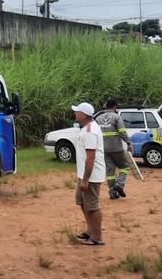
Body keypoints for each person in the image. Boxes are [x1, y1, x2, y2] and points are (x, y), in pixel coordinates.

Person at [71, 102, 106, 246]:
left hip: (90, 175)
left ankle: (97, 236)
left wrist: (86, 179)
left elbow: (91, 157)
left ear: (83, 115)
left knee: (92, 205)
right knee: (81, 201)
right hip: (84, 175)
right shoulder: (86, 128)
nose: (75, 113)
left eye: (77, 111)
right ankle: (90, 230)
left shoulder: (90, 131)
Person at [95, 98, 132, 199]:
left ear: (106, 107)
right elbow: (122, 131)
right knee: (125, 167)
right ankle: (119, 184)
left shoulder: (98, 119)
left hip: (104, 149)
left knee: (110, 172)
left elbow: (96, 134)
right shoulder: (116, 117)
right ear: (114, 107)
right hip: (116, 148)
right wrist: (128, 142)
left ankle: (112, 192)